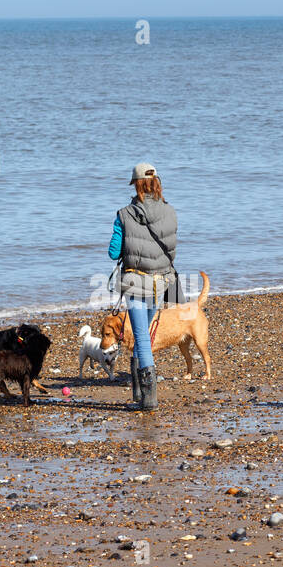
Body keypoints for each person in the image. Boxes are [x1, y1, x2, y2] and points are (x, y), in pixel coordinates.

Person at [108, 162, 178, 411]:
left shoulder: (123, 214)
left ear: (136, 184)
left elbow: (113, 252)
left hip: (136, 281)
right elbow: (171, 250)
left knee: (140, 336)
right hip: (162, 281)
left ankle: (149, 399)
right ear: (156, 183)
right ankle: (138, 391)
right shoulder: (170, 211)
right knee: (143, 332)